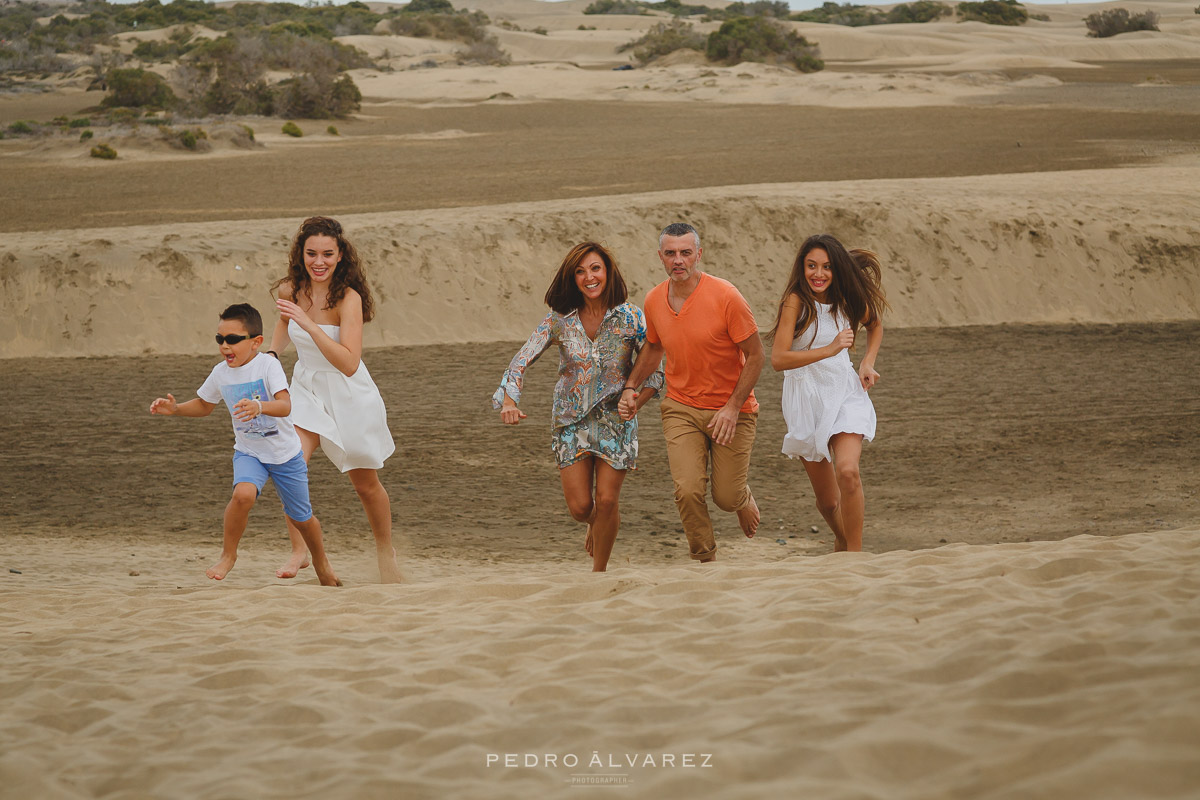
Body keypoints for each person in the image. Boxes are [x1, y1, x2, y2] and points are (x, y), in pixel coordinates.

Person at [493, 242, 663, 572]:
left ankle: (599, 572)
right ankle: (594, 522)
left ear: (608, 272)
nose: (589, 277)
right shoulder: (559, 320)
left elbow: (656, 367)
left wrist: (636, 402)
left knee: (608, 500)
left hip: (616, 419)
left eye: (595, 268)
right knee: (582, 507)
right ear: (572, 279)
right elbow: (522, 359)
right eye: (580, 272)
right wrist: (510, 400)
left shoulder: (631, 317)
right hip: (571, 422)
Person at [149, 303, 340, 586]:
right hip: (249, 452)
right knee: (243, 496)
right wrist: (176, 409)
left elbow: (285, 405)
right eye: (220, 340)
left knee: (301, 518)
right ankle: (228, 555)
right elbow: (204, 404)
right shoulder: (220, 373)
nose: (225, 346)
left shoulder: (268, 365)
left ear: (256, 342)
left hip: (286, 455)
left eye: (233, 340)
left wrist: (259, 407)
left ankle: (321, 562)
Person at [267, 216, 402, 584]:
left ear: (340, 255)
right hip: (306, 387)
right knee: (288, 461)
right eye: (312, 253)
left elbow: (348, 362)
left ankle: (384, 551)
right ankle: (300, 550)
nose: (319, 261)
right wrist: (271, 361)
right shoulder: (289, 290)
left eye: (327, 253)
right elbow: (282, 327)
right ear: (301, 254)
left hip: (349, 393)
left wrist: (310, 325)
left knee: (365, 483)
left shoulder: (349, 298)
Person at [619, 223, 763, 563]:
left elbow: (756, 355)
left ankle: (741, 498)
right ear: (661, 257)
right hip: (681, 406)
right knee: (687, 490)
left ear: (699, 254)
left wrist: (731, 407)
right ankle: (705, 559)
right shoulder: (654, 299)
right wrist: (630, 387)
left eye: (686, 252)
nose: (678, 260)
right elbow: (653, 348)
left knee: (725, 497)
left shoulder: (726, 296)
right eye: (670, 253)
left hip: (732, 411)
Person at [768, 233, 887, 552]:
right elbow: (779, 359)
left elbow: (875, 325)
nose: (818, 274)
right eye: (811, 266)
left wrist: (866, 361)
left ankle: (855, 556)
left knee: (848, 472)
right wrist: (830, 348)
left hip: (843, 390)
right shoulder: (796, 301)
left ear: (837, 270)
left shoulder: (847, 299)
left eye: (826, 267)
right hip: (805, 398)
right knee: (828, 501)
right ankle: (842, 538)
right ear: (802, 267)